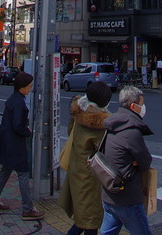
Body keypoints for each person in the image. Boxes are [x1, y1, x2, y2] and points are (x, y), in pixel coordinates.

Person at [98, 85, 154, 235]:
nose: (143, 107)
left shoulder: (111, 124)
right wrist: (136, 162)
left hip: (109, 193)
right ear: (133, 106)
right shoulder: (131, 131)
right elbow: (145, 162)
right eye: (141, 104)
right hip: (127, 197)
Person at [0, 72, 43, 220]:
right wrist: (28, 132)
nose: (30, 89)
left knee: (5, 170)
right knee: (23, 174)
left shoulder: (13, 99)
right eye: (29, 86)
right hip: (15, 143)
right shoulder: (19, 103)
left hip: (6, 141)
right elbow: (18, 125)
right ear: (22, 87)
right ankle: (27, 208)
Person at [60, 81, 112, 235]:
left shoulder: (78, 112)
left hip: (76, 169)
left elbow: (71, 133)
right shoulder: (99, 124)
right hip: (90, 177)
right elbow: (105, 150)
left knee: (84, 219)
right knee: (89, 221)